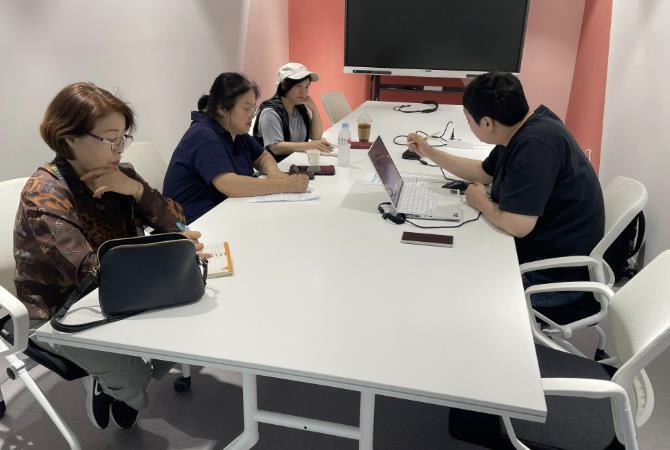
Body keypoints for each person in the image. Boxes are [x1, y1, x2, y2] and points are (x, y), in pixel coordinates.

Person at [13, 82, 205, 430]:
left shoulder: (122, 175)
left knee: (192, 330)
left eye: (123, 138)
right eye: (110, 139)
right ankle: (111, 383)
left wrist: (137, 191)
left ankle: (113, 379)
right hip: (63, 308)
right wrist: (171, 255)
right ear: (69, 138)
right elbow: (88, 271)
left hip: (125, 291)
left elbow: (179, 223)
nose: (119, 149)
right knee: (137, 386)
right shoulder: (45, 193)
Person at [408, 72, 605, 308]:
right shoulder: (521, 129)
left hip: (554, 280)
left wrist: (480, 201)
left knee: (457, 292)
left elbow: (517, 225)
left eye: (469, 121)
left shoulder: (535, 147)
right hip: (544, 254)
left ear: (487, 123)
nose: (469, 126)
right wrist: (429, 152)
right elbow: (482, 172)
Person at [163, 72, 309, 223]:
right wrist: (283, 185)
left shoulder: (236, 132)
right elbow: (229, 184)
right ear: (222, 109)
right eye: (246, 109)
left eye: (254, 108)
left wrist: (274, 173)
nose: (252, 115)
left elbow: (263, 157)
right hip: (194, 222)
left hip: (224, 211)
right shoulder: (203, 134)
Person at [252, 62, 332, 162]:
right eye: (298, 86)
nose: (304, 92)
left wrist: (314, 109)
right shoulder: (270, 112)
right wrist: (310, 145)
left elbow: (316, 136)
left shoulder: (299, 108)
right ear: (284, 85)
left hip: (295, 163)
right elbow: (276, 148)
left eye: (306, 86)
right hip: (275, 167)